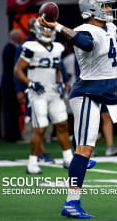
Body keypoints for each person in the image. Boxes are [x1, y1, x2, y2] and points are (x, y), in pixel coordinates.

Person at [38, 0, 117, 218]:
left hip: (100, 94)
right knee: (84, 150)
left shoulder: (110, 28)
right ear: (92, 9)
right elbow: (86, 44)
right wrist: (56, 26)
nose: (109, 9)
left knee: (85, 148)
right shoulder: (83, 31)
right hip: (87, 94)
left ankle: (79, 154)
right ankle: (71, 203)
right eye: (104, 6)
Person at [14, 19, 74, 174]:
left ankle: (68, 158)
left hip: (54, 92)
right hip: (37, 93)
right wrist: (30, 83)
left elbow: (58, 67)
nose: (47, 32)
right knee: (40, 128)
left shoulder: (58, 48)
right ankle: (32, 163)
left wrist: (60, 82)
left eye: (49, 29)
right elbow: (18, 70)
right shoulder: (30, 47)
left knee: (62, 124)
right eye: (44, 29)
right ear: (37, 31)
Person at [1, 29, 24, 142]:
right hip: (9, 85)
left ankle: (14, 135)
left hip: (9, 85)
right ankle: (11, 136)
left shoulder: (10, 48)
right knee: (11, 111)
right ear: (15, 38)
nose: (22, 38)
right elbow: (13, 69)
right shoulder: (10, 49)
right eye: (20, 36)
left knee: (13, 111)